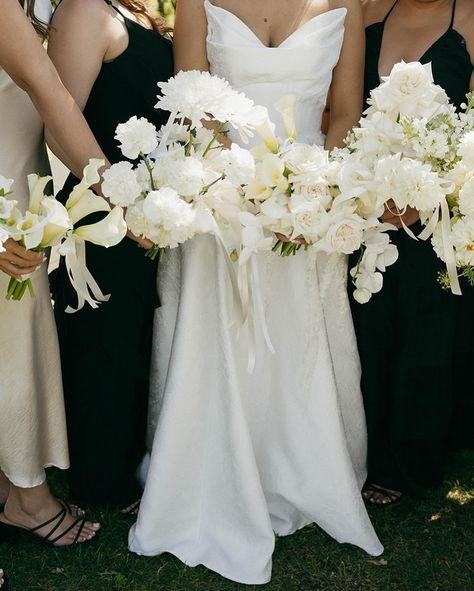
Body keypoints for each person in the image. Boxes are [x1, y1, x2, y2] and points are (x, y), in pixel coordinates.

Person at [129, 0, 384, 584]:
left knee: (297, 338)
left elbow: (345, 112)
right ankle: (205, 472)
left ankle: (302, 468)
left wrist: (311, 190)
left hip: (310, 205)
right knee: (217, 332)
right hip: (220, 204)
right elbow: (191, 106)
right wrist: (239, 187)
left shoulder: (345, 4)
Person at [47, 0, 173, 511]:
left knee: (136, 340)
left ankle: (130, 465)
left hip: (148, 212)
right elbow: (59, 124)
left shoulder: (133, 11)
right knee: (105, 348)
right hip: (102, 215)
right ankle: (102, 482)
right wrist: (121, 204)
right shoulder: (81, 10)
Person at [350, 0, 474, 505]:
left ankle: (410, 460)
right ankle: (363, 449)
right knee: (368, 327)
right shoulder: (368, 11)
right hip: (366, 206)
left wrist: (432, 193)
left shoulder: (467, 17)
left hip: (440, 212)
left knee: (427, 326)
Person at [0, 0, 108, 550]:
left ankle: (11, 489)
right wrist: (116, 192)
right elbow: (46, 85)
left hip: (20, 185)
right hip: (1, 204)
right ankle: (29, 500)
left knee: (10, 346)